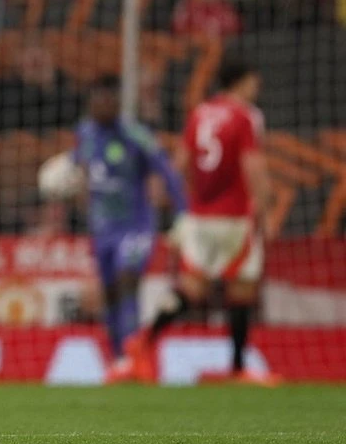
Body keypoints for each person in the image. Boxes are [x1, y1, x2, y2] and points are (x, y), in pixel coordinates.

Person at [126, 57, 280, 386]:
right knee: (242, 287)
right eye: (254, 81)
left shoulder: (199, 113)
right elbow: (252, 165)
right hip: (235, 217)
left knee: (192, 288)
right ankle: (238, 368)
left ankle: (144, 340)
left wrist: (173, 201)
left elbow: (180, 162)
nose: (257, 87)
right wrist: (266, 209)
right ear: (244, 80)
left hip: (200, 216)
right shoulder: (246, 116)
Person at [68, 76, 187, 382]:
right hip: (102, 229)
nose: (98, 106)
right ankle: (119, 359)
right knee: (109, 293)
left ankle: (134, 356)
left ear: (117, 103)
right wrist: (65, 173)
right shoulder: (85, 132)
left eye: (105, 100)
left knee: (127, 281)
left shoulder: (137, 135)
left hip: (136, 226)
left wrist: (182, 215)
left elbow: (168, 173)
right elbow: (77, 165)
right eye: (94, 101)